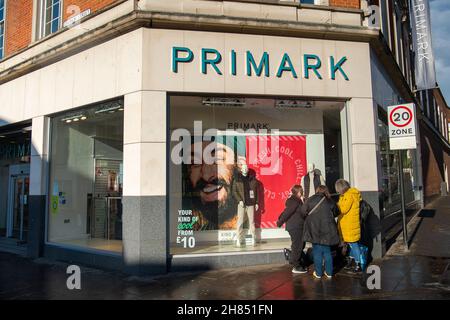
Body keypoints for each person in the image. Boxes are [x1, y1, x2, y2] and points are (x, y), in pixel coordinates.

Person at [302, 185, 340, 279]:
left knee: (317, 251)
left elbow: (302, 211)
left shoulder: (310, 200)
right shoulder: (329, 201)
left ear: (317, 190)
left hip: (314, 229)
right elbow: (337, 212)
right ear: (326, 191)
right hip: (328, 229)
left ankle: (318, 273)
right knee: (327, 251)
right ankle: (329, 273)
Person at [276, 185, 307, 274]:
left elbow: (288, 211)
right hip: (296, 227)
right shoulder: (295, 200)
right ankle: (296, 266)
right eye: (301, 191)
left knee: (299, 245)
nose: (302, 193)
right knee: (298, 246)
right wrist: (280, 221)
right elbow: (288, 212)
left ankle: (293, 259)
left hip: (296, 226)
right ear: (298, 192)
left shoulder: (295, 200)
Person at [335, 179, 363, 273]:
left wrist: (335, 206)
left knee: (354, 245)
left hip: (350, 225)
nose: (337, 191)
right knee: (351, 245)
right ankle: (352, 262)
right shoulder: (346, 195)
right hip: (348, 225)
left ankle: (358, 265)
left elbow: (343, 209)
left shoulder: (349, 195)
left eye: (338, 189)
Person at [232, 163, 259, 247]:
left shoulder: (253, 180)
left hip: (251, 204)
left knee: (252, 222)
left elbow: (256, 192)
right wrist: (239, 200)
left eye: (246, 168)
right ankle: (238, 239)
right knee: (240, 222)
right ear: (241, 170)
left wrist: (257, 202)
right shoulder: (237, 180)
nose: (245, 169)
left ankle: (253, 239)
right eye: (244, 168)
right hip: (241, 204)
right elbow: (234, 192)